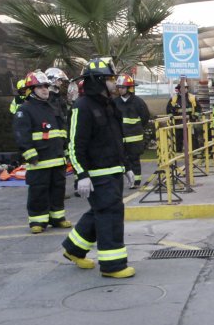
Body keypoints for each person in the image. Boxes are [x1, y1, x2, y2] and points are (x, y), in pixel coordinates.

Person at [62, 59, 135, 279]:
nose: (116, 83)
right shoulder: (82, 107)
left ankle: (73, 249)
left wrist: (127, 167)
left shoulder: (109, 105)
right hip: (96, 175)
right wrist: (81, 175)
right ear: (99, 81)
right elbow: (74, 145)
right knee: (110, 214)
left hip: (113, 172)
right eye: (111, 79)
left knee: (99, 211)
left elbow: (116, 140)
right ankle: (113, 266)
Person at [13, 70, 71, 233]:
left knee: (58, 189)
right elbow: (21, 135)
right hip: (38, 161)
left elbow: (61, 131)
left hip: (57, 158)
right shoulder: (25, 110)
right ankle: (37, 221)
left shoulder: (52, 107)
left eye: (46, 86)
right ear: (31, 90)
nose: (45, 89)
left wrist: (65, 151)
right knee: (39, 190)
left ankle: (57, 217)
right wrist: (30, 154)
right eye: (40, 87)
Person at [114, 74, 151, 188]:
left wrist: (137, 129)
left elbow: (145, 117)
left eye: (123, 87)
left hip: (135, 137)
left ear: (130, 88)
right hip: (120, 138)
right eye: (119, 87)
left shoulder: (138, 102)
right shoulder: (115, 102)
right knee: (122, 160)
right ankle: (129, 179)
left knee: (134, 159)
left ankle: (136, 181)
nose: (120, 90)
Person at [167, 83, 198, 152]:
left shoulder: (192, 98)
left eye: (185, 88)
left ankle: (195, 154)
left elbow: (198, 109)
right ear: (179, 89)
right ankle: (177, 155)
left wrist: (195, 116)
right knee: (178, 141)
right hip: (178, 124)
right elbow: (168, 110)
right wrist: (171, 117)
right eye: (182, 88)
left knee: (192, 140)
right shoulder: (174, 99)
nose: (184, 89)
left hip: (190, 123)